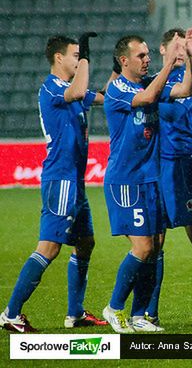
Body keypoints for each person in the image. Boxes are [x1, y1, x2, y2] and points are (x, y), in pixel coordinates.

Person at [0, 33, 107, 332]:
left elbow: (105, 96)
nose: (78, 60)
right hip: (60, 179)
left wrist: (115, 71)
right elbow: (79, 91)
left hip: (76, 181)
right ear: (59, 58)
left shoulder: (72, 89)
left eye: (79, 56)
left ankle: (75, 314)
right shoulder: (52, 88)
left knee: (85, 243)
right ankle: (11, 313)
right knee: (49, 247)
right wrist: (87, 57)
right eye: (74, 55)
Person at [101, 33, 192, 333]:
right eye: (140, 56)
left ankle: (140, 315)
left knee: (154, 248)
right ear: (123, 60)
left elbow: (185, 89)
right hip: (126, 181)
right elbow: (148, 98)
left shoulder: (149, 81)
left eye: (147, 55)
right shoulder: (117, 90)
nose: (147, 59)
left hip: (150, 179)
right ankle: (114, 308)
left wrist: (190, 60)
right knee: (142, 248)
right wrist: (168, 64)